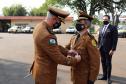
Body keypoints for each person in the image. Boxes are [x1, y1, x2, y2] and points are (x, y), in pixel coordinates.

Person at [30, 6, 81, 84]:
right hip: (46, 75)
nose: (59, 24)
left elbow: (52, 47)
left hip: (40, 70)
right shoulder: (47, 35)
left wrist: (67, 51)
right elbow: (59, 58)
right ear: (54, 19)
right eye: (59, 21)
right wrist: (75, 60)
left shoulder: (39, 26)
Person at [65, 11, 100, 84]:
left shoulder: (90, 39)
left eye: (81, 22)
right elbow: (66, 49)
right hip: (74, 75)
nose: (78, 24)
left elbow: (95, 62)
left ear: (86, 25)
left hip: (84, 77)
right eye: (78, 21)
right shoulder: (74, 37)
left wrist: (91, 79)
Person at [98, 15, 118, 84]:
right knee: (103, 62)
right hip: (101, 48)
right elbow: (99, 38)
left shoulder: (113, 28)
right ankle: (104, 75)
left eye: (106, 19)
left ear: (109, 20)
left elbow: (115, 39)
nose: (104, 20)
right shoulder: (101, 28)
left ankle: (108, 78)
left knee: (108, 63)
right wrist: (98, 47)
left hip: (109, 49)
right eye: (103, 19)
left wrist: (113, 49)